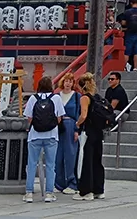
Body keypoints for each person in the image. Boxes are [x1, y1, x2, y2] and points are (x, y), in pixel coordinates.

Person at [24, 76, 65, 204]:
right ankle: (49, 193)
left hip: (35, 136)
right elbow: (59, 118)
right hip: (52, 136)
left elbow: (29, 118)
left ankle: (29, 193)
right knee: (50, 165)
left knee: (31, 164)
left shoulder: (32, 98)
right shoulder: (56, 98)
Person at [74, 73, 105, 201]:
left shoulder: (84, 98)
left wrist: (77, 123)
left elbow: (84, 115)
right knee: (97, 161)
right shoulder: (97, 97)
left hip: (88, 132)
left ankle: (86, 191)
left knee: (86, 160)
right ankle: (99, 190)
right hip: (98, 132)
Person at [54, 75, 81, 195]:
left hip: (71, 124)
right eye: (66, 81)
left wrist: (77, 130)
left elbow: (79, 113)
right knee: (57, 155)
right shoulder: (56, 96)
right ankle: (59, 183)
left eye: (70, 81)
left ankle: (72, 182)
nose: (68, 84)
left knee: (70, 155)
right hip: (58, 125)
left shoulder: (76, 96)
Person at [118, 0, 137, 72]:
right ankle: (135, 67)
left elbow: (123, 23)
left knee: (127, 52)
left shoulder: (127, 12)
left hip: (129, 33)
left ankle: (123, 67)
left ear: (131, 3)